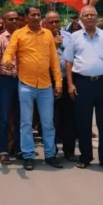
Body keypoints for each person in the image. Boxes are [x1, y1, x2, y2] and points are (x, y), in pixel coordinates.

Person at [3, 6, 63, 171]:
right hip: (26, 85)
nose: (36, 17)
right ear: (27, 18)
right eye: (33, 15)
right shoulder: (19, 34)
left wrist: (58, 83)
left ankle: (50, 155)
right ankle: (28, 155)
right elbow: (10, 51)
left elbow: (54, 61)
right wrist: (7, 60)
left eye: (38, 14)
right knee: (26, 122)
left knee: (48, 123)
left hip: (45, 86)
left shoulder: (48, 34)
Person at [64, 6, 103, 170]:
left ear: (97, 17)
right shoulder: (74, 37)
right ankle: (85, 156)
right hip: (82, 83)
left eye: (92, 15)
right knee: (83, 122)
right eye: (86, 15)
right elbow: (68, 62)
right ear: (81, 18)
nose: (89, 18)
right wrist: (70, 84)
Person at [0, 10, 21, 164]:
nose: (14, 21)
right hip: (5, 80)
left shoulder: (23, 36)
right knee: (4, 116)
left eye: (16, 19)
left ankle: (20, 148)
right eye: (11, 19)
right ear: (4, 21)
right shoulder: (0, 39)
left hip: (22, 80)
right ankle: (3, 150)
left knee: (21, 116)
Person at [46, 11, 76, 162]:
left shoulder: (69, 36)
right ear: (45, 23)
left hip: (66, 80)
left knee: (68, 117)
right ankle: (51, 151)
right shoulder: (42, 36)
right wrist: (53, 45)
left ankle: (69, 150)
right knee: (49, 118)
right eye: (51, 22)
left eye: (56, 21)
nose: (54, 25)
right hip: (48, 81)